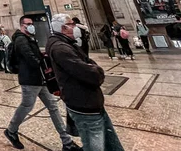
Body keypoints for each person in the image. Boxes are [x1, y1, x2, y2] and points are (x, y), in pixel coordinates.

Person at [46, 14, 125, 151]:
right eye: (72, 24)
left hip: (90, 102)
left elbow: (87, 61)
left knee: (111, 143)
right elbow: (90, 73)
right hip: (83, 104)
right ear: (64, 28)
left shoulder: (68, 44)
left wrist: (92, 67)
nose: (75, 27)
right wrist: (98, 72)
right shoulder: (61, 48)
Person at [4, 16, 82, 151]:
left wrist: (43, 57)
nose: (31, 26)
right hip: (30, 80)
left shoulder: (29, 38)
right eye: (28, 24)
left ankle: (67, 142)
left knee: (53, 106)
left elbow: (35, 56)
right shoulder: (21, 39)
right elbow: (31, 59)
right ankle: (11, 130)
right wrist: (45, 64)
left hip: (40, 79)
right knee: (27, 106)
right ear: (22, 25)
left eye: (32, 24)